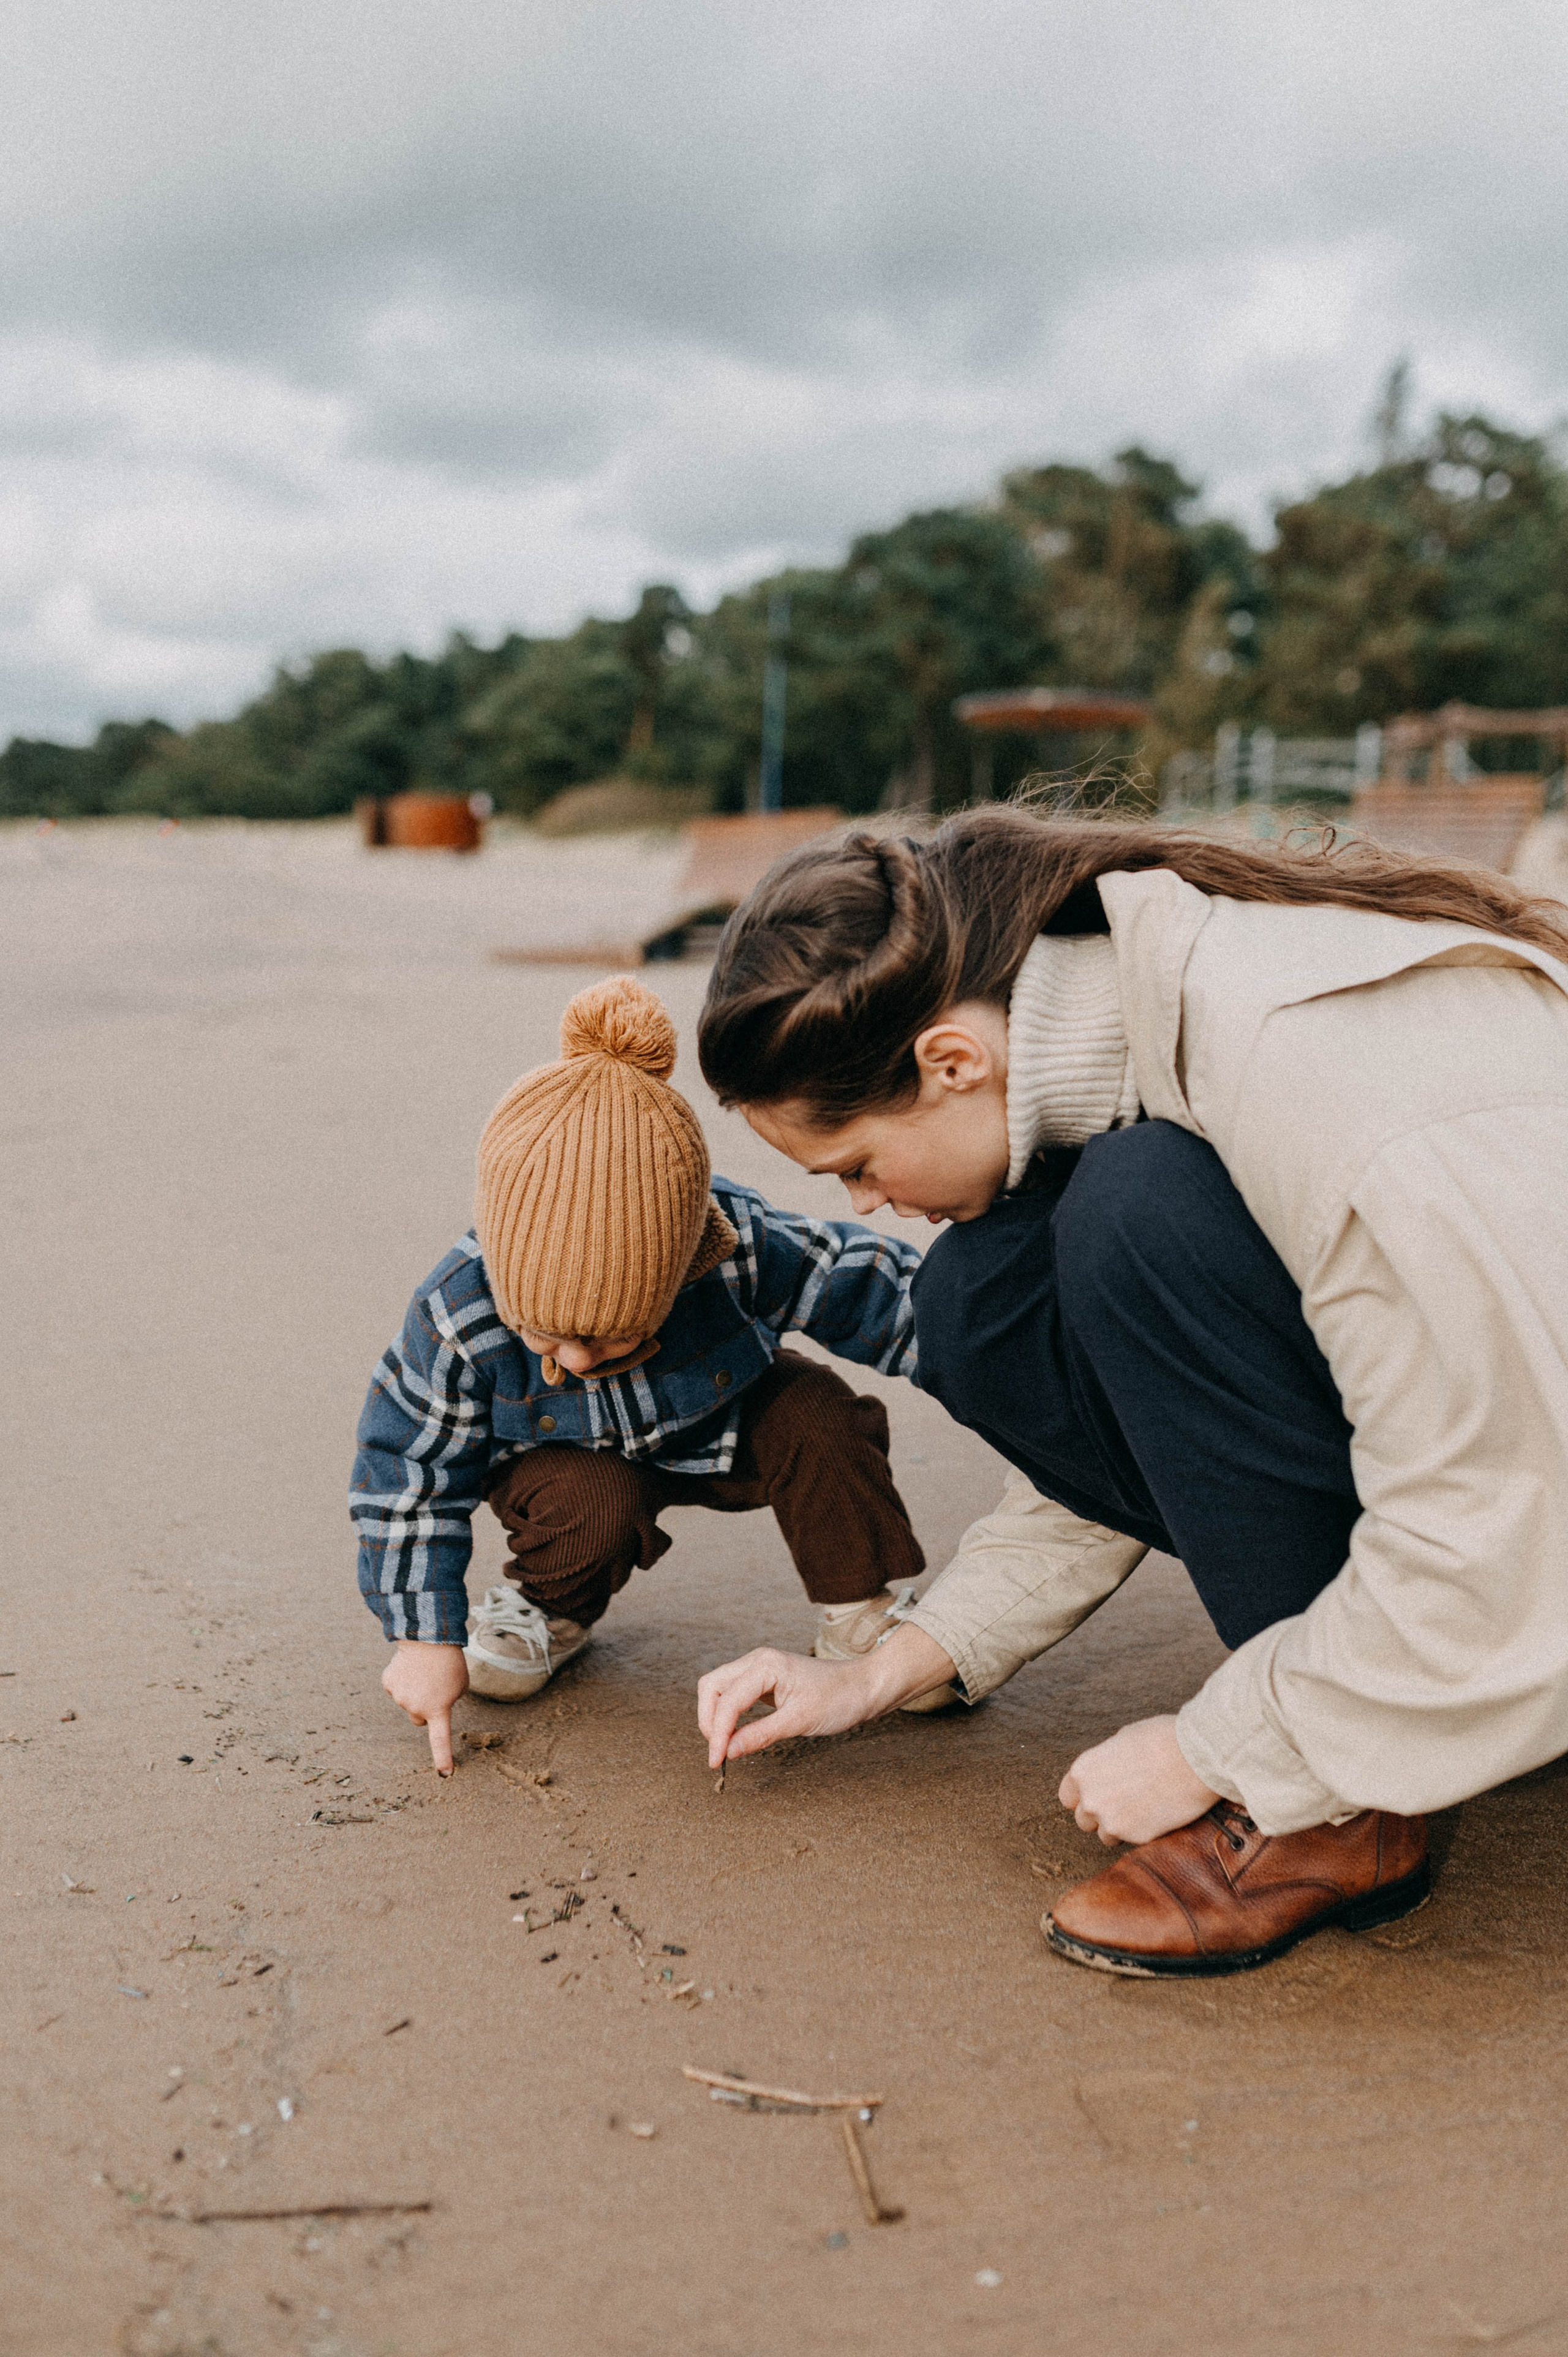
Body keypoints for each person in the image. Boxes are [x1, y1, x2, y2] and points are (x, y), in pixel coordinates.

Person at [692, 802, 1568, 1977]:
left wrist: (1227, 1749)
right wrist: (882, 1671)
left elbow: (1503, 1522)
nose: (865, 1206)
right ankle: (1358, 1715)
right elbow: (1156, 1419)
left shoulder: (1308, 1081)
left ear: (952, 1059)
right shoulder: (1127, 1015)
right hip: (1517, 1493)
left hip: (1535, 1535)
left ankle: (1341, 1809)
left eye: (854, 1163)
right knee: (988, 1291)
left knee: (1130, 1215)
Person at [351, 973, 951, 1776]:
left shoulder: (731, 1243)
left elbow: (862, 1285)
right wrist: (423, 1636)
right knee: (591, 1505)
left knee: (817, 1413)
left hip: (720, 1414)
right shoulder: (458, 1312)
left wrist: (978, 1348)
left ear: (682, 1266)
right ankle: (551, 1609)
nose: (574, 1359)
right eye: (548, 1335)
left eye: (608, 1335)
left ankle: (861, 1614)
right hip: (567, 1459)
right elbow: (407, 1476)